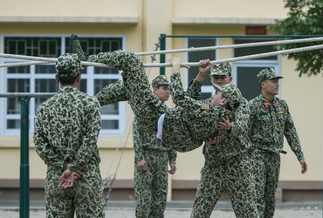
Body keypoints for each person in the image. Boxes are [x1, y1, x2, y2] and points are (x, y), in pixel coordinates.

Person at [165, 62, 281, 218]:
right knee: (201, 210)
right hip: (214, 165)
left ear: (230, 78)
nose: (219, 82)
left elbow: (243, 126)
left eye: (223, 78)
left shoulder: (241, 104)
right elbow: (187, 103)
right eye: (215, 79)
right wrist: (206, 136)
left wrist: (230, 128)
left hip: (238, 163)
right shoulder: (209, 104)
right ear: (212, 80)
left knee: (249, 212)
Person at [33, 53, 114, 218]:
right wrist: (75, 168)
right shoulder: (90, 103)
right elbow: (90, 141)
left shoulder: (44, 108)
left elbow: (40, 145)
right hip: (86, 177)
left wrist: (63, 169)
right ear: (79, 77)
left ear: (57, 78)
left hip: (56, 179)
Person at [71, 36, 229, 153]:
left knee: (130, 59)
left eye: (217, 94)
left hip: (153, 114)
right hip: (154, 119)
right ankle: (90, 103)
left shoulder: (210, 112)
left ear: (222, 102)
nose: (213, 95)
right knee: (127, 87)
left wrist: (175, 69)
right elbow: (192, 101)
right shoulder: (209, 109)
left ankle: (85, 59)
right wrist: (201, 74)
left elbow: (181, 98)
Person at [248, 68, 308, 218]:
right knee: (257, 195)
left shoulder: (282, 105)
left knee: (270, 196)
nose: (277, 84)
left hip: (274, 156)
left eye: (277, 81)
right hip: (257, 155)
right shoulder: (253, 106)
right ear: (263, 84)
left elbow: (290, 130)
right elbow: (244, 132)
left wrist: (300, 155)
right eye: (273, 81)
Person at [133, 75, 177, 218]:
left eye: (169, 89)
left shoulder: (168, 112)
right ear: (154, 90)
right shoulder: (144, 110)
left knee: (160, 194)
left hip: (162, 155)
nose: (168, 92)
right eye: (164, 89)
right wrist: (139, 158)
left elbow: (172, 137)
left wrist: (172, 160)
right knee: (144, 194)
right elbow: (136, 135)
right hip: (147, 154)